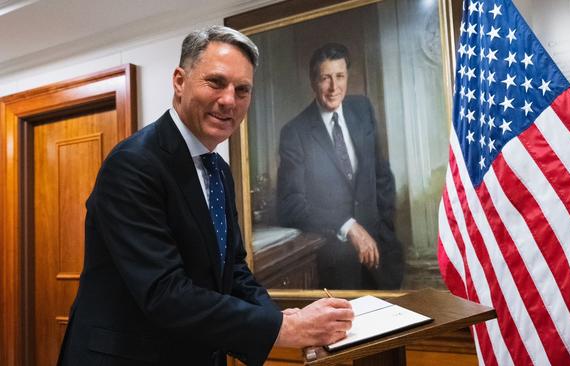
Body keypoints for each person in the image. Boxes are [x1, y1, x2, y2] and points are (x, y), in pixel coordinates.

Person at [57, 26, 354, 366]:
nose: (229, 100)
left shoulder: (217, 170)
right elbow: (164, 292)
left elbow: (234, 271)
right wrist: (280, 330)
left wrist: (279, 320)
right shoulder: (133, 164)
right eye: (216, 82)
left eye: (242, 90)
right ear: (179, 81)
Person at [277, 43, 404, 290]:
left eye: (340, 76)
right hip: (335, 265)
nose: (334, 87)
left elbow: (382, 176)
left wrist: (385, 228)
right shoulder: (295, 132)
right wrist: (348, 227)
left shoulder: (362, 109)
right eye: (325, 78)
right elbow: (290, 205)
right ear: (313, 82)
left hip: (382, 255)